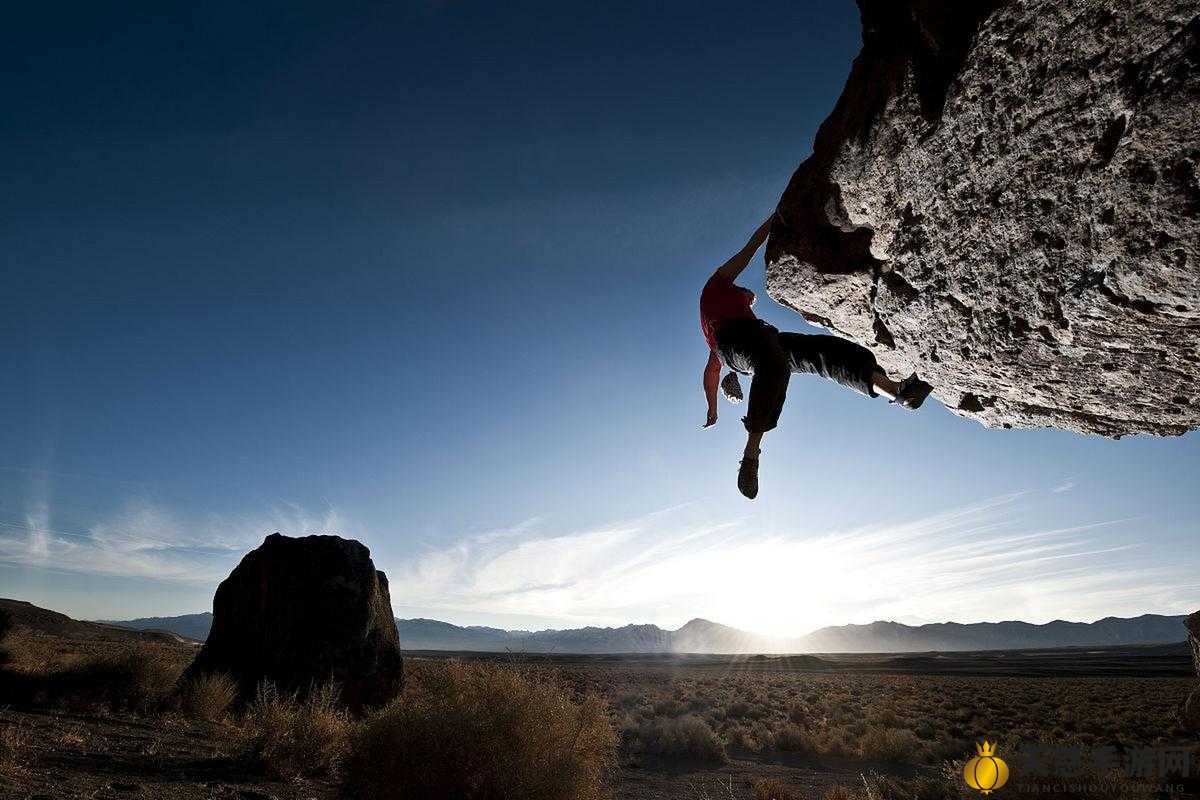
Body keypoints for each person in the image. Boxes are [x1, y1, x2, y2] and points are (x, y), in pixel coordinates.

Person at [701, 214, 933, 499]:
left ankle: (897, 392)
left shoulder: (736, 309)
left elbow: (713, 371)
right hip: (735, 344)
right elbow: (749, 250)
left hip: (763, 339)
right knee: (771, 361)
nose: (749, 298)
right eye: (745, 296)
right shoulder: (716, 287)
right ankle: (751, 452)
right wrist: (772, 221)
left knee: (821, 353)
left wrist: (713, 407)